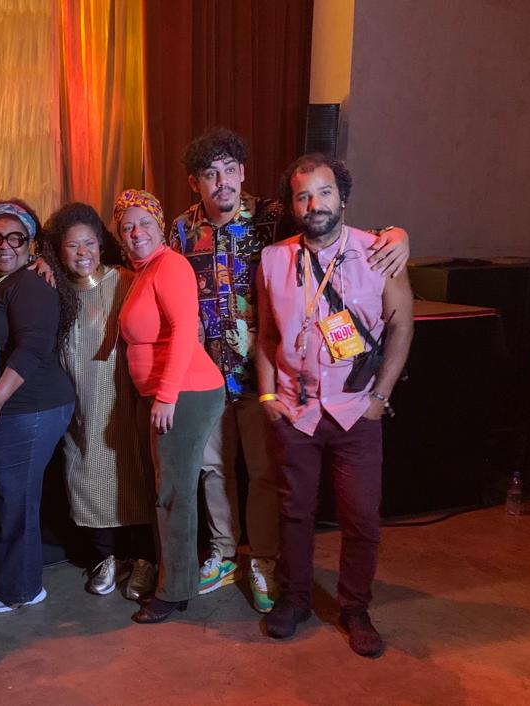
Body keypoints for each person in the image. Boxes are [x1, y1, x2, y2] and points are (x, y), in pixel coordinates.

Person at [169, 127, 411, 611]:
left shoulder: (273, 215)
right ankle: (223, 554)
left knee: (264, 475)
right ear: (195, 182)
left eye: (229, 170)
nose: (222, 181)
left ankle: (263, 558)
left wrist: (398, 233)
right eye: (210, 174)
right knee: (213, 470)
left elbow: (329, 224)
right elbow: (141, 259)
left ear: (243, 172)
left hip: (266, 377)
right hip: (205, 373)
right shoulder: (179, 231)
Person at [255, 154, 413, 657]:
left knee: (361, 517)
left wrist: (380, 398)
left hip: (356, 411)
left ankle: (355, 607)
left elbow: (401, 326)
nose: (314, 204)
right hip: (295, 411)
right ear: (292, 205)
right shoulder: (273, 259)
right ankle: (295, 599)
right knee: (294, 512)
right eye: (303, 196)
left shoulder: (377, 252)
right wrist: (267, 395)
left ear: (342, 197)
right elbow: (266, 335)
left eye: (324, 193)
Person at [112, 190, 225, 624]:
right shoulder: (144, 271)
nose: (135, 232)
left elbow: (183, 333)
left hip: (185, 393)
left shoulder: (171, 265)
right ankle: (174, 579)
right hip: (166, 395)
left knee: (174, 494)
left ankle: (176, 590)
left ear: (160, 226)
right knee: (166, 491)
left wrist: (166, 395)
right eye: (126, 226)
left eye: (144, 223)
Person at [40, 202, 157, 600]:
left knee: (134, 474)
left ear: (101, 244)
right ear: (58, 251)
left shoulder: (124, 280)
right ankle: (106, 558)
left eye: (89, 243)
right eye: (72, 245)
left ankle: (144, 558)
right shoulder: (55, 291)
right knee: (87, 475)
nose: (82, 253)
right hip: (80, 404)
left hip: (124, 398)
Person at [0, 199, 77, 613]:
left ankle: (21, 588)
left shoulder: (30, 283)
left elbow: (33, 348)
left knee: (15, 497)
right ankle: (8, 576)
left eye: (16, 238)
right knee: (6, 495)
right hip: (13, 407)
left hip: (30, 406)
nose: (5, 246)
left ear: (31, 243)